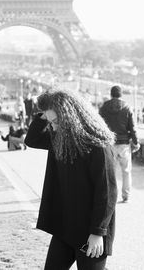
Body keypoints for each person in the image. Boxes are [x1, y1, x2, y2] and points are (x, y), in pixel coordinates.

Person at [25, 88, 117, 270]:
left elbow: (107, 193)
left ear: (70, 116)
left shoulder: (98, 145)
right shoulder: (59, 139)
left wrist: (98, 233)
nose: (52, 126)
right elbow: (32, 139)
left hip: (92, 230)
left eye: (56, 121)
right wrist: (45, 113)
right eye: (50, 122)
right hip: (65, 228)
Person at [99, 85, 140, 203]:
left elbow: (99, 126)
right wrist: (136, 142)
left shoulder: (104, 108)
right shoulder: (127, 107)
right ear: (121, 95)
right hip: (124, 144)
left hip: (109, 144)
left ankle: (112, 196)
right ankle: (126, 196)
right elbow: (133, 127)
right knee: (126, 171)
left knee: (110, 172)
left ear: (111, 94)